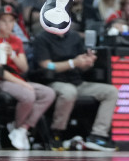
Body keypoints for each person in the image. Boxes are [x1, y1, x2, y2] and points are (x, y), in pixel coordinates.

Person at [30, 16, 119, 151]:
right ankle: (57, 133)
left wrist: (88, 62)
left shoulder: (74, 37)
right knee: (69, 92)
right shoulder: (41, 38)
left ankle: (98, 135)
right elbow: (47, 66)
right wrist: (73, 63)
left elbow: (81, 65)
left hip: (77, 82)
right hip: (53, 82)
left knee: (111, 91)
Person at [0, 5, 55, 151]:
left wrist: (13, 55)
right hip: (0, 81)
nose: (8, 25)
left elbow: (24, 68)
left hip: (18, 79)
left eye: (11, 21)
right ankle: (18, 128)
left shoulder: (16, 41)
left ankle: (21, 128)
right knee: (28, 95)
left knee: (49, 93)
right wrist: (23, 83)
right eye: (4, 21)